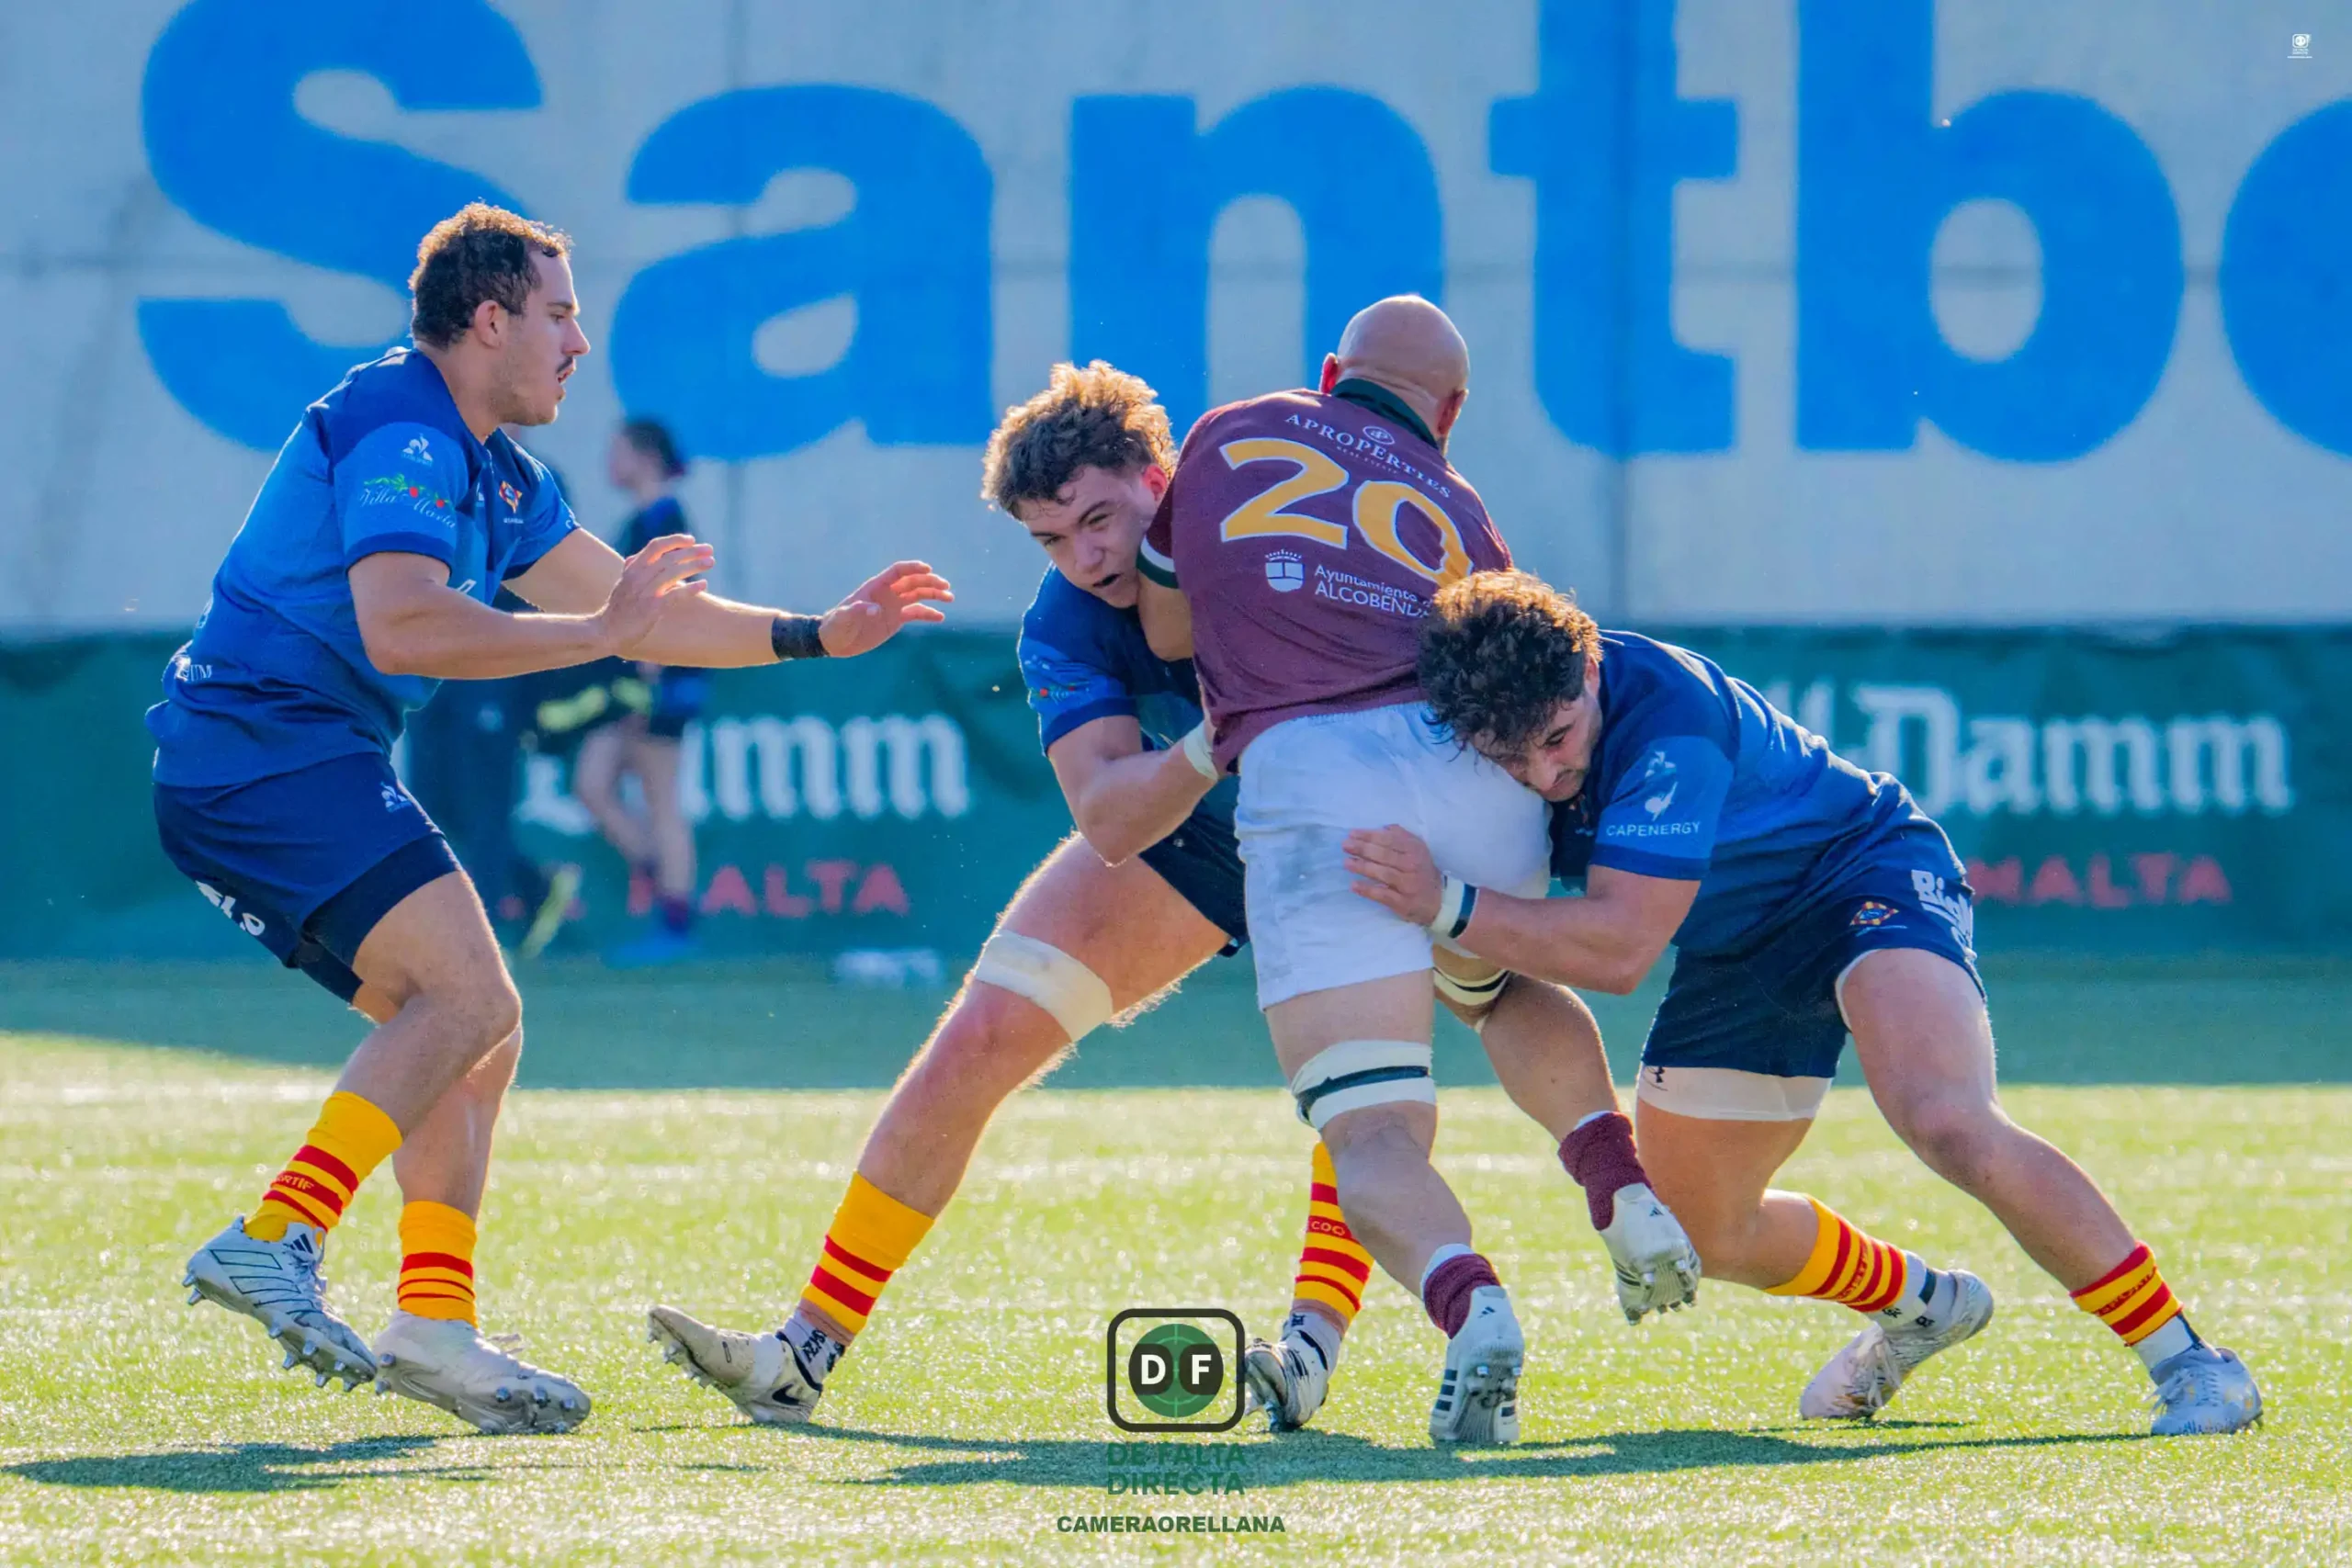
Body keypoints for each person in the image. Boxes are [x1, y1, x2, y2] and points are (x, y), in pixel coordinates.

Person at [648, 362, 1681, 1434]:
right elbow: (1108, 816)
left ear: (1162, 476)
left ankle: (1322, 1342)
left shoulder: (1271, 516)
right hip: (1198, 828)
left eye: (1101, 520)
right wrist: (1211, 738)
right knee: (982, 1036)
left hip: (1355, 831)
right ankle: (806, 1349)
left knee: (1383, 1076)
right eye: (1053, 539)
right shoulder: (1066, 620)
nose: (1086, 557)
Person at [153, 202, 952, 1434]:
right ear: (489, 319)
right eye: (562, 312)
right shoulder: (401, 421)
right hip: (261, 752)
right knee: (471, 997)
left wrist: (814, 633)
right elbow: (406, 623)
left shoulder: (494, 465)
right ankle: (276, 1232)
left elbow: (644, 610)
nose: (580, 341)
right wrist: (594, 633)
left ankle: (430, 1318)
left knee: (476, 1027)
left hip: (277, 756)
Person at [1344, 570, 2265, 1437]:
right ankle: (1922, 1305)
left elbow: (1619, 950)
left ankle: (2188, 1360)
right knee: (1704, 1231)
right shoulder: (1491, 734)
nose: (1545, 776)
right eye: (1511, 760)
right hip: (1735, 943)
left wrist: (1447, 905)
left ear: (1588, 670)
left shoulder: (1667, 717)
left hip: (1856, 873)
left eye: (1557, 740)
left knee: (1943, 1116)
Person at [1135, 300, 1700, 1444]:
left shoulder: (1229, 431)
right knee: (1491, 978)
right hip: (1471, 771)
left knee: (1373, 1137)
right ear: (1449, 417)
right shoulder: (1458, 501)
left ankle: (1470, 1304)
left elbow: (1162, 633)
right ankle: (1615, 1183)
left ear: (1333, 372)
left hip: (1314, 775)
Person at [570, 418, 710, 965]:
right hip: (631, 687)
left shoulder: (664, 517)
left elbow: (667, 601)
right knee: (592, 786)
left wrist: (646, 682)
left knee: (660, 799)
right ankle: (665, 883)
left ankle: (676, 922)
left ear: (647, 457)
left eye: (619, 451)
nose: (611, 462)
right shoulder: (642, 518)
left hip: (656, 687)